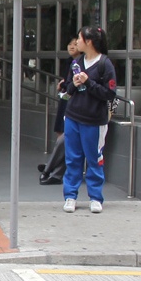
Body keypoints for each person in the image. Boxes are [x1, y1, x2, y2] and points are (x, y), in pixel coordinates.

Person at [62, 25, 117, 215]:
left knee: (94, 159)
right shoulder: (76, 62)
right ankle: (70, 196)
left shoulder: (105, 64)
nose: (76, 42)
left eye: (79, 38)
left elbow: (109, 93)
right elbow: (67, 90)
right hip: (73, 117)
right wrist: (73, 84)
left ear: (89, 41)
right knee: (73, 159)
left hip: (94, 120)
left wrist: (89, 82)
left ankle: (95, 197)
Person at [39, 35, 80, 185]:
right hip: (68, 101)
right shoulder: (71, 62)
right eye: (70, 43)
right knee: (63, 138)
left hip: (83, 110)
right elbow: (71, 84)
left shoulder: (91, 64)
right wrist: (65, 85)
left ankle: (50, 168)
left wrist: (65, 85)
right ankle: (53, 169)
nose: (73, 46)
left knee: (67, 141)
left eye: (77, 43)